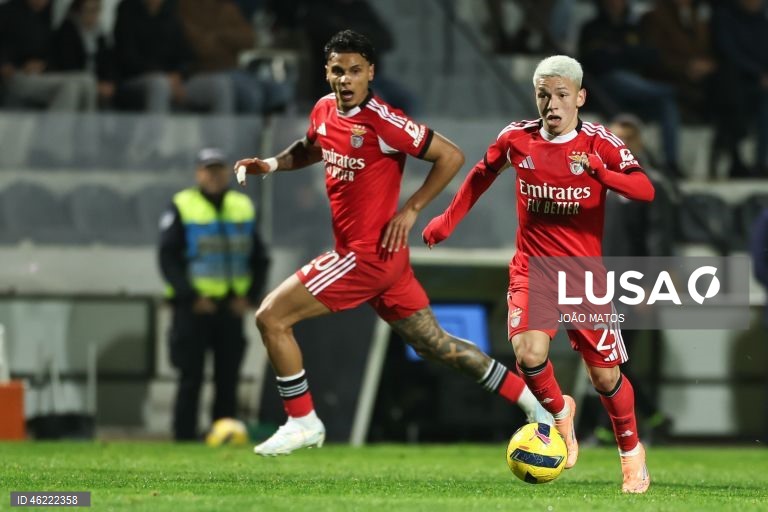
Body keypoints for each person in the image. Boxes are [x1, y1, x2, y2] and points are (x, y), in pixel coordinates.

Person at [234, 29, 552, 456]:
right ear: (326, 73)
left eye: (354, 71)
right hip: (387, 263)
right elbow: (313, 147)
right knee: (437, 345)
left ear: (370, 74)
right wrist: (271, 164)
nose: (345, 80)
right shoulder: (325, 110)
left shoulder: (383, 121)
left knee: (271, 318)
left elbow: (451, 155)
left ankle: (302, 420)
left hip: (362, 256)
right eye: (337, 71)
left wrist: (412, 208)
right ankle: (537, 404)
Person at [422, 55, 655, 493]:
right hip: (533, 268)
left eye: (562, 95)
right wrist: (447, 220)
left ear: (580, 97)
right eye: (543, 95)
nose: (552, 104)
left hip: (584, 276)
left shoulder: (600, 143)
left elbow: (645, 189)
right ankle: (559, 414)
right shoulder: (516, 138)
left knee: (605, 377)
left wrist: (601, 174)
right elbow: (480, 174)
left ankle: (631, 455)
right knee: (528, 354)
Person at [159, 147, 270, 441]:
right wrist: (191, 297)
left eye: (219, 169)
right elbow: (168, 258)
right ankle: (183, 437)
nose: (214, 175)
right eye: (208, 170)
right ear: (198, 174)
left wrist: (249, 297)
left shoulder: (242, 206)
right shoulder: (182, 205)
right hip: (194, 309)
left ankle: (225, 435)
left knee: (228, 379)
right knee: (190, 376)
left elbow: (260, 257)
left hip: (229, 308)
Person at [586, 114, 675, 446]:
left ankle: (610, 429)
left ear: (636, 146)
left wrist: (651, 286)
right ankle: (648, 417)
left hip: (631, 286)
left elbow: (658, 240)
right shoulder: (593, 183)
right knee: (606, 358)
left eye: (625, 140)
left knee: (613, 358)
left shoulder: (648, 187)